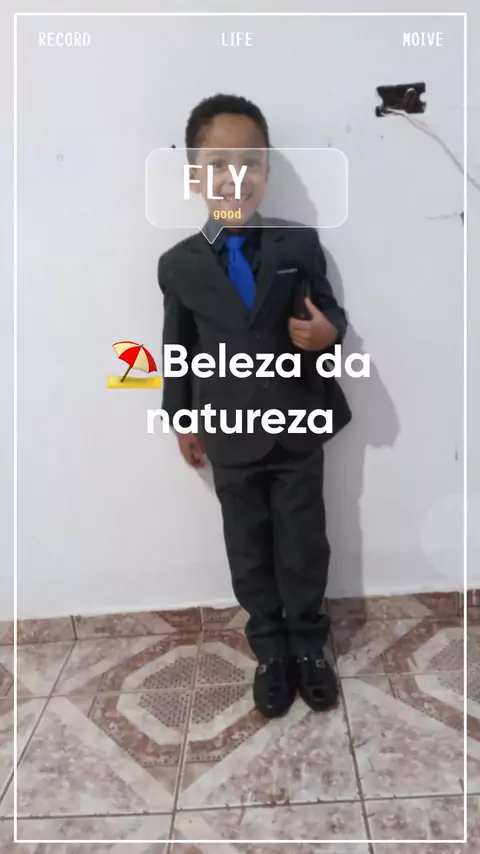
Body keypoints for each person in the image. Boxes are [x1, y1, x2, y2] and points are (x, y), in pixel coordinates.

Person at [158, 93, 351, 718]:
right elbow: (177, 348)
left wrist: (328, 332)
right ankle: (270, 651)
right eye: (218, 164)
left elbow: (330, 311)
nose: (235, 178)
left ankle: (309, 647)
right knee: (248, 546)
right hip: (228, 430)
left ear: (266, 170)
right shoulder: (179, 265)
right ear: (194, 176)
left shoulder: (297, 244)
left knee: (304, 542)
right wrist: (181, 418)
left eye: (250, 163)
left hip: (296, 422)